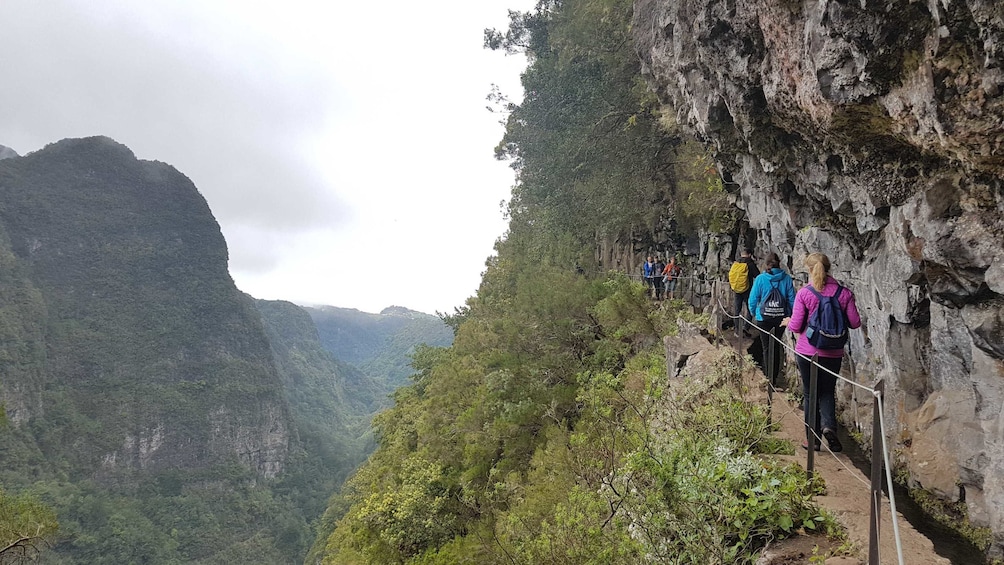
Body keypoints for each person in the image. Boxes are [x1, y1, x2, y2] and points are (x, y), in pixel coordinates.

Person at [786, 252, 861, 452]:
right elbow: (855, 322)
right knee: (827, 391)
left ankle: (813, 440)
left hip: (808, 352)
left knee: (811, 394)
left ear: (810, 270)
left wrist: (787, 322)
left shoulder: (805, 293)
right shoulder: (844, 294)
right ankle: (829, 427)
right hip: (833, 352)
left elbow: (795, 325)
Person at [748, 252, 796, 389]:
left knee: (766, 348)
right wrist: (790, 316)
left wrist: (754, 313)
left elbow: (753, 299)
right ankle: (773, 379)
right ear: (779, 264)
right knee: (776, 347)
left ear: (766, 264)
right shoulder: (786, 279)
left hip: (763, 318)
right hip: (780, 319)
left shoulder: (760, 279)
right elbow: (792, 299)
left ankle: (767, 379)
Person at [729, 248, 759, 337]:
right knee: (749, 308)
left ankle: (737, 330)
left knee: (737, 309)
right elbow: (757, 275)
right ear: (749, 254)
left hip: (737, 289)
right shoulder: (749, 263)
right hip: (747, 289)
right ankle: (746, 327)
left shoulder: (736, 263)